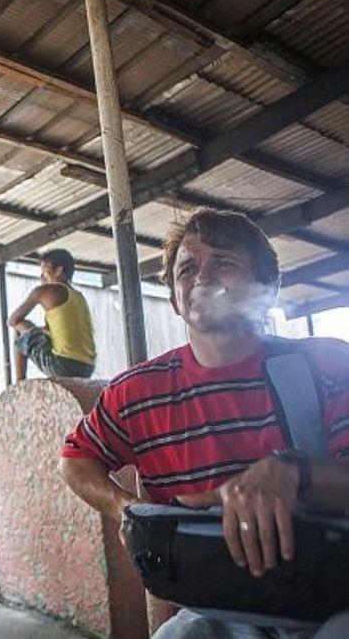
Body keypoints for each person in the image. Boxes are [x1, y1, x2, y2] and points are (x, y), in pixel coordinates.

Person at [58, 208, 349, 638]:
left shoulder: (327, 363)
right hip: (215, 606)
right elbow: (75, 460)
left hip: (329, 594)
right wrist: (127, 511)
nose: (202, 277)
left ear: (267, 290)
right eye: (187, 268)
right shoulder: (136, 393)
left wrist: (294, 473)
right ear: (175, 300)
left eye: (224, 263)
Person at [7, 248, 95, 379]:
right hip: (88, 368)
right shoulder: (79, 297)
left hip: (63, 366)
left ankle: (19, 382)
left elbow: (12, 321)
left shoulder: (45, 291)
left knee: (21, 327)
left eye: (45, 270)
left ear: (59, 270)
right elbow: (52, 331)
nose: (42, 276)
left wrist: (32, 330)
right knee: (38, 332)